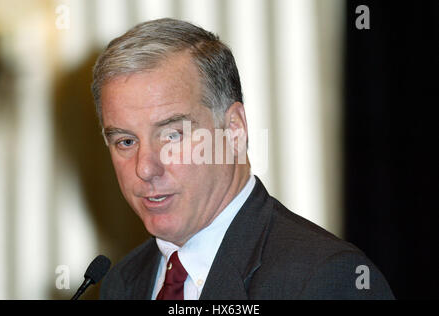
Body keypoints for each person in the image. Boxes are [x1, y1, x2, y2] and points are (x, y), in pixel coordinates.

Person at [92, 18, 394, 300]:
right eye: (126, 141)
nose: (145, 168)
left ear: (234, 130)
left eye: (173, 135)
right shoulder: (122, 282)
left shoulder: (325, 280)